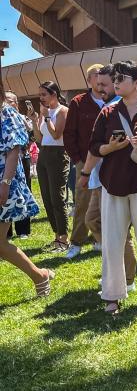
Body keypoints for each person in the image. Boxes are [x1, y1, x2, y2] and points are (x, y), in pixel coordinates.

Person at [88, 60, 137, 314]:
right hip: (113, 185)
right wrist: (111, 148)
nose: (115, 82)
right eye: (114, 78)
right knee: (112, 242)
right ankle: (112, 295)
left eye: (121, 78)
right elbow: (95, 146)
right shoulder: (107, 112)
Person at [78, 64, 137, 293]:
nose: (100, 88)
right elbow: (97, 147)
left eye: (104, 84)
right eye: (98, 83)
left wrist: (85, 172)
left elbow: (105, 148)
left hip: (115, 178)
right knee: (95, 221)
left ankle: (128, 277)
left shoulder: (117, 108)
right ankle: (120, 270)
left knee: (116, 229)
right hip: (103, 178)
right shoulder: (108, 107)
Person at [0, 86, 53, 297]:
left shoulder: (7, 112)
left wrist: (5, 183)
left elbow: (14, 151)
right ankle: (40, 275)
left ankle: (40, 277)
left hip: (5, 182)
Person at [63, 63, 105, 259]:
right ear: (89, 80)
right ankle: (77, 242)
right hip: (86, 160)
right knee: (83, 201)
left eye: (103, 75)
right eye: (96, 75)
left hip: (111, 159)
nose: (100, 78)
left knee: (109, 201)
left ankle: (101, 240)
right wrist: (78, 159)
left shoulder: (114, 100)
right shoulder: (79, 102)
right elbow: (69, 133)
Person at [30, 81, 70, 252]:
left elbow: (56, 135)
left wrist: (46, 116)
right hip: (44, 154)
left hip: (58, 154)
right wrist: (34, 120)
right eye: (40, 95)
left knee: (57, 198)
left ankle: (63, 238)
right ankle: (57, 236)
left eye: (44, 94)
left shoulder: (63, 111)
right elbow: (39, 138)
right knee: (46, 198)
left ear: (54, 94)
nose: (41, 98)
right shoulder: (43, 112)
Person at [4, 92, 33, 239]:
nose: (9, 103)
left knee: (20, 194)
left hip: (20, 161)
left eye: (12, 101)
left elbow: (29, 132)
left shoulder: (15, 116)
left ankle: (23, 230)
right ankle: (7, 233)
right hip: (7, 164)